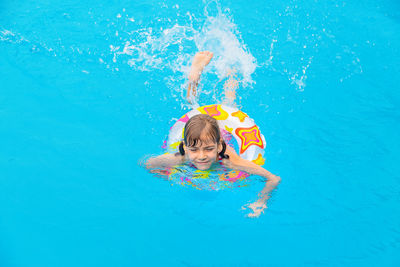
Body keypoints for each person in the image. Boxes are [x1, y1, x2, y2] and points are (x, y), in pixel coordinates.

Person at [145, 51, 281, 217]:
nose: (201, 156)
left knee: (229, 103)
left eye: (209, 149)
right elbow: (148, 164)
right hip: (199, 131)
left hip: (222, 129)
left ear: (219, 146)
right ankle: (195, 74)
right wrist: (169, 176)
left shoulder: (231, 161)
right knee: (191, 104)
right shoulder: (179, 157)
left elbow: (273, 178)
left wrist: (260, 202)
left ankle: (232, 74)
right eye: (194, 150)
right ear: (185, 147)